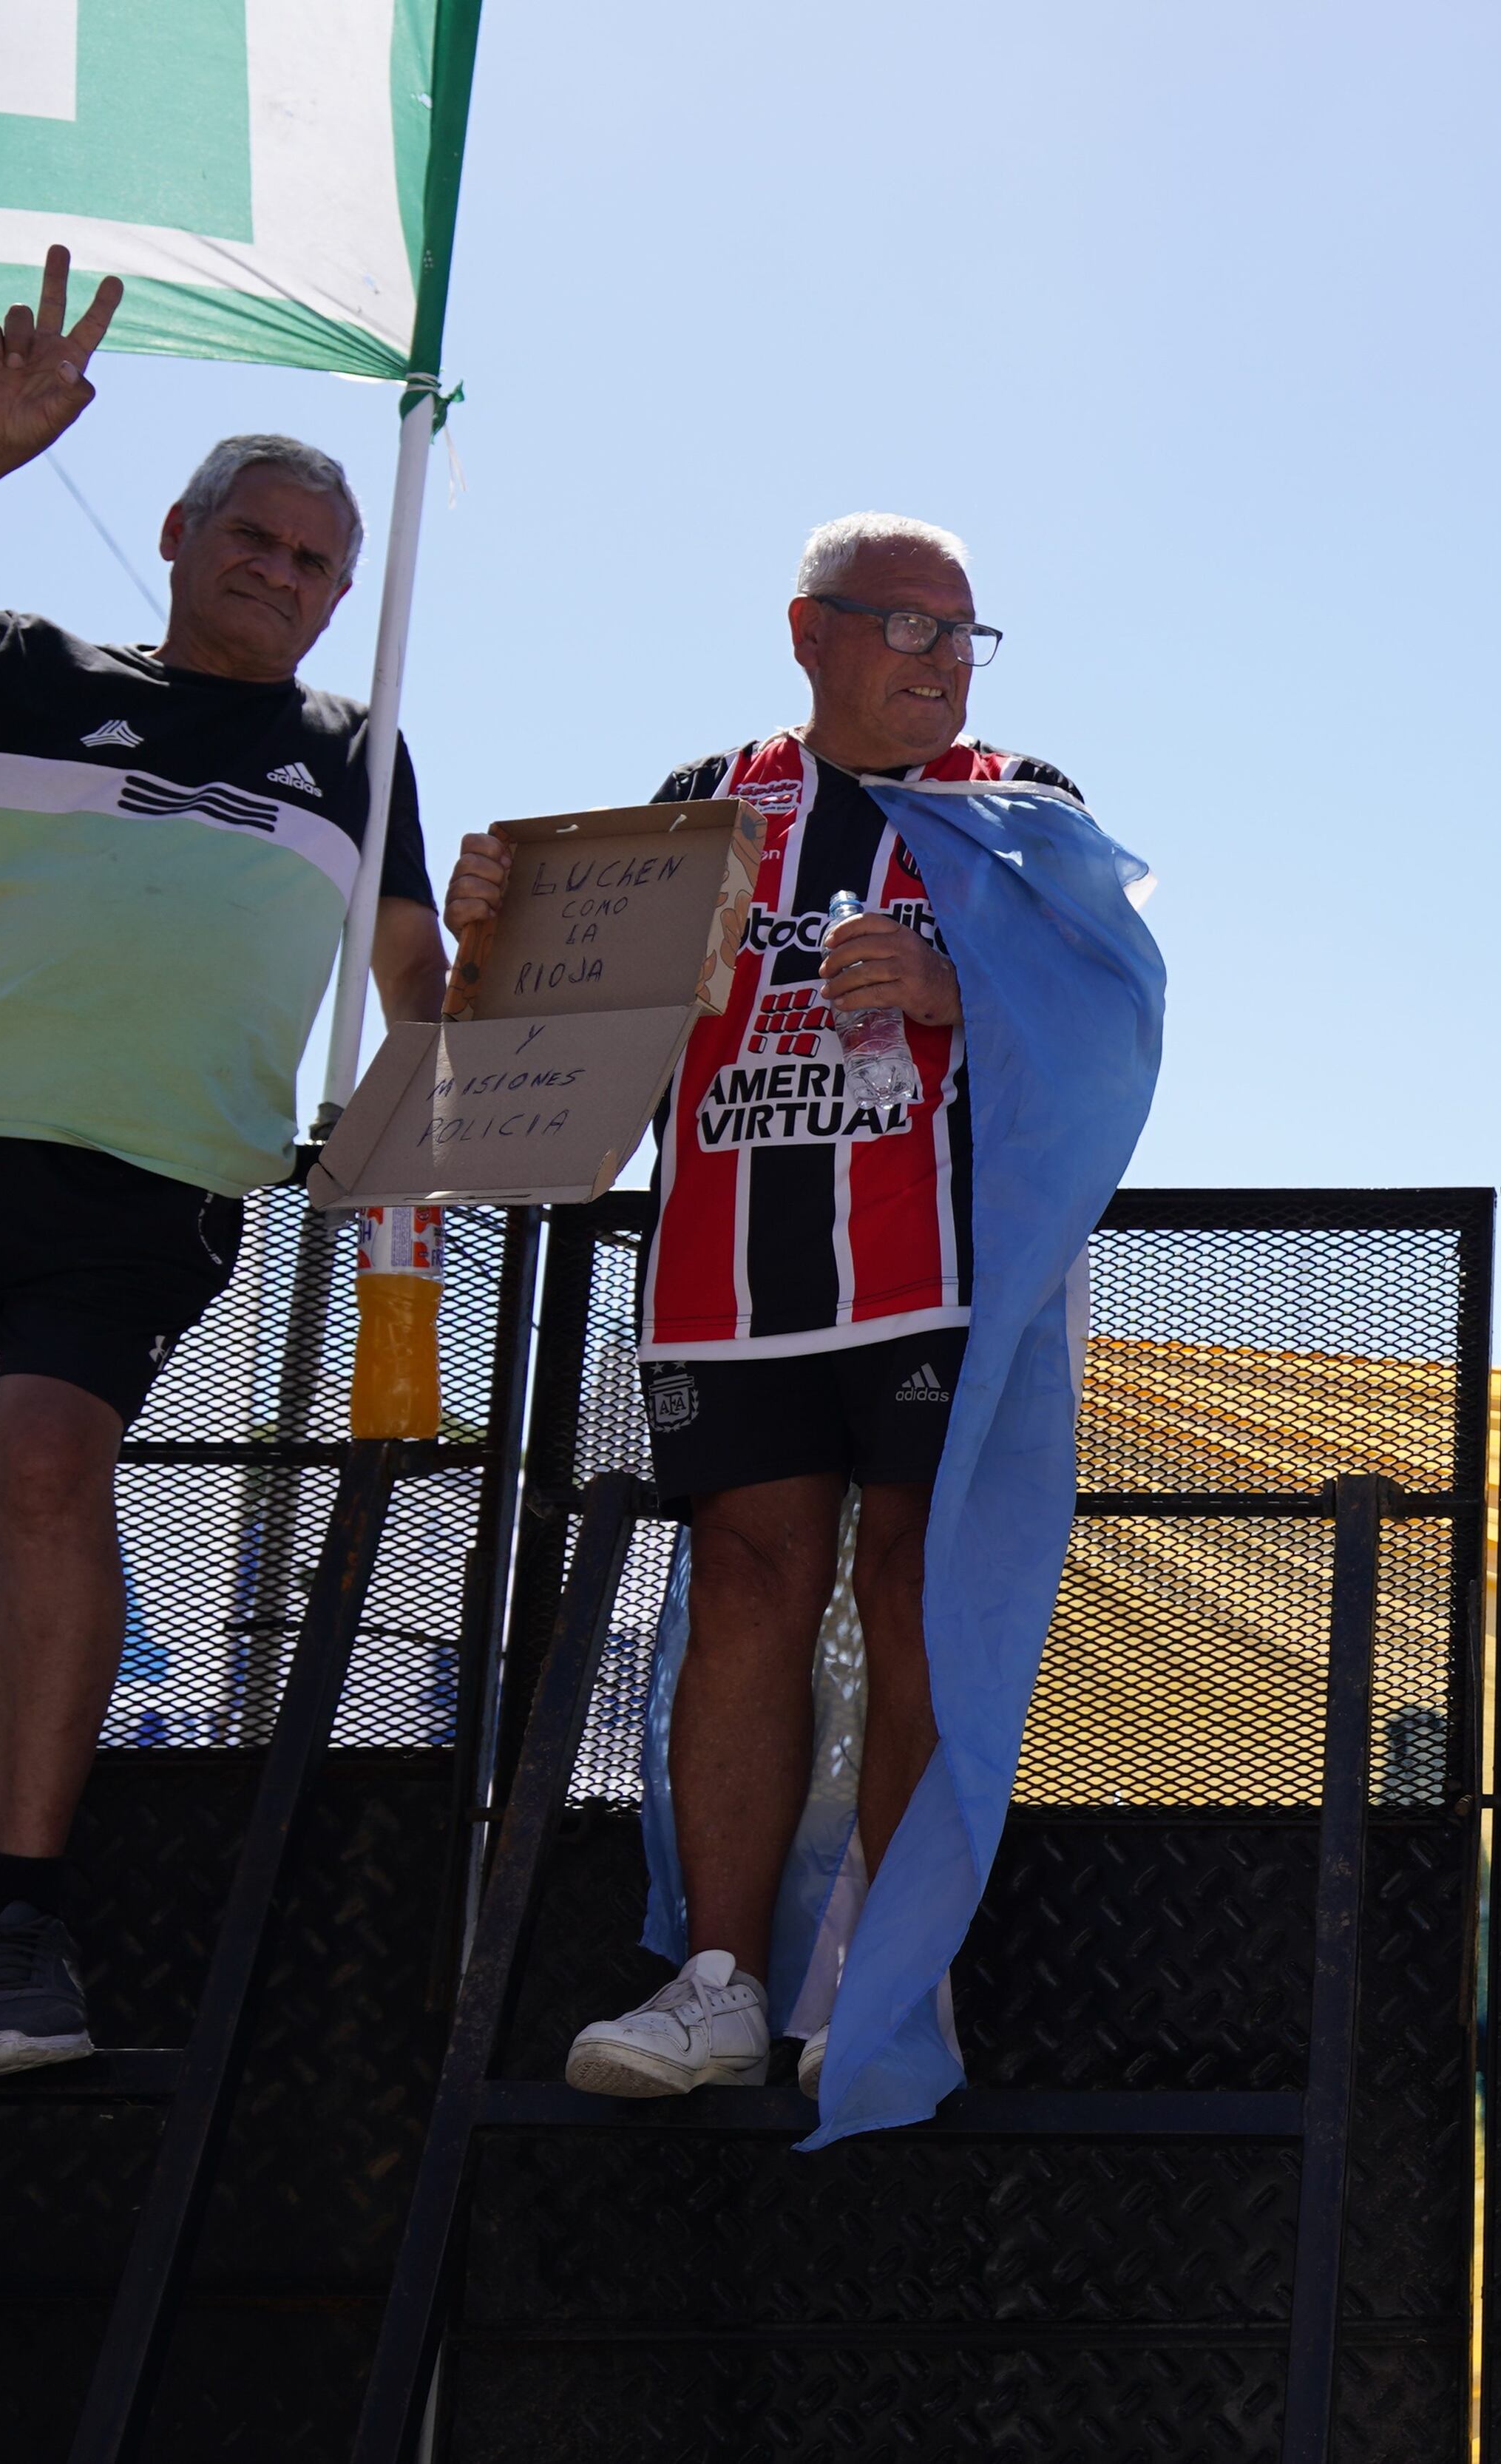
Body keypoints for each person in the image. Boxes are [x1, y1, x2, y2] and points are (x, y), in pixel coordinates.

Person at [0, 251, 447, 2079]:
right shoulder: (17, 665)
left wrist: (495, 1006)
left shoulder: (360, 751)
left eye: (323, 563)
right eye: (258, 538)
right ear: (179, 530)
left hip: (151, 1176)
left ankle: (18, 1929)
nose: (289, 578)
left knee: (47, 1457)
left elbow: (423, 993)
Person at [447, 513, 1080, 2102]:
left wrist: (953, 981)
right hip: (730, 1279)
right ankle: (717, 1980)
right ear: (810, 632)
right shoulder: (697, 812)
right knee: (741, 1588)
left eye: (964, 633)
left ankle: (892, 1982)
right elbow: (546, 1039)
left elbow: (1111, 1001)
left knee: (915, 1591)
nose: (943, 662)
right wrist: (492, 946)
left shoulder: (1023, 802)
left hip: (940, 1274)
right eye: (909, 628)